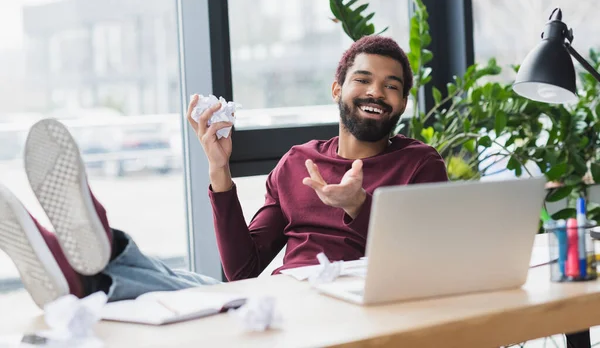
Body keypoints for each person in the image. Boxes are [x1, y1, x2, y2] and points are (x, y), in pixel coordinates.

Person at [0, 35, 447, 309]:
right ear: (338, 89)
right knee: (189, 290)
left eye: (392, 86)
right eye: (363, 79)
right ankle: (88, 264)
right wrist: (220, 169)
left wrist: (360, 208)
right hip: (282, 296)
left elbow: (428, 265)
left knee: (186, 294)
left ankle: (91, 266)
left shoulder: (419, 165)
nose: (377, 92)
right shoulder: (297, 161)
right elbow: (242, 269)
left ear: (403, 102)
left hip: (350, 304)